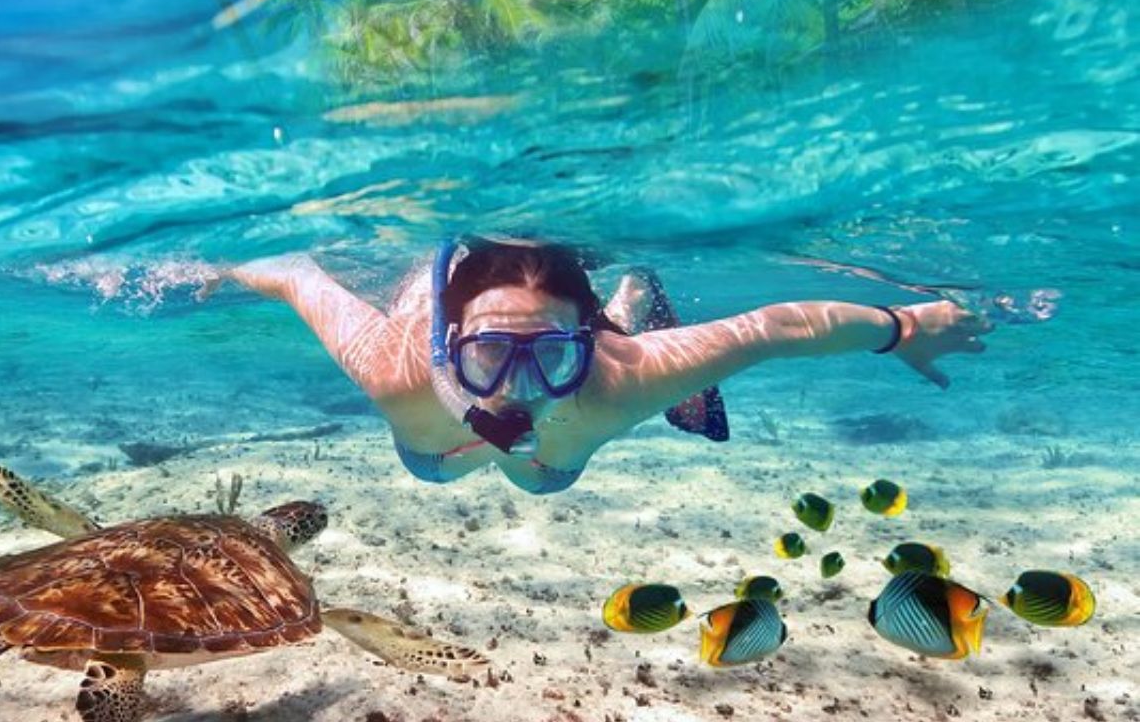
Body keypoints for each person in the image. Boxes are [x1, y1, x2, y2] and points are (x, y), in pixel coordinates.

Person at [215, 237, 991, 495]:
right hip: (437, 450)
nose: (518, 387)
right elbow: (295, 272)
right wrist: (219, 266)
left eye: (552, 355)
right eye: (488, 353)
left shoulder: (621, 376)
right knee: (444, 468)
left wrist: (905, 326)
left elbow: (774, 329)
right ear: (450, 347)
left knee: (536, 477)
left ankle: (630, 298)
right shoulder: (395, 368)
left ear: (587, 343)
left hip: (552, 461)